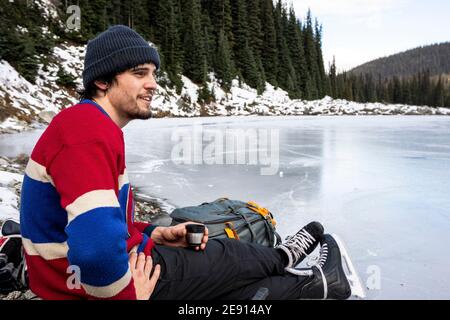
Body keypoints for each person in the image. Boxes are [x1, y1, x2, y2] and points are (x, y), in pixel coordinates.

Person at [19, 25, 351, 300]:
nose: (153, 84)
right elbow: (95, 250)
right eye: (139, 73)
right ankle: (304, 275)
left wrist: (155, 234)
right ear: (103, 81)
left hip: (89, 274)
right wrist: (128, 296)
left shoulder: (91, 126)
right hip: (85, 286)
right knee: (224, 263)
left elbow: (102, 223)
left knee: (222, 264)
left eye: (153, 73)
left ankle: (294, 268)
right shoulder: (86, 130)